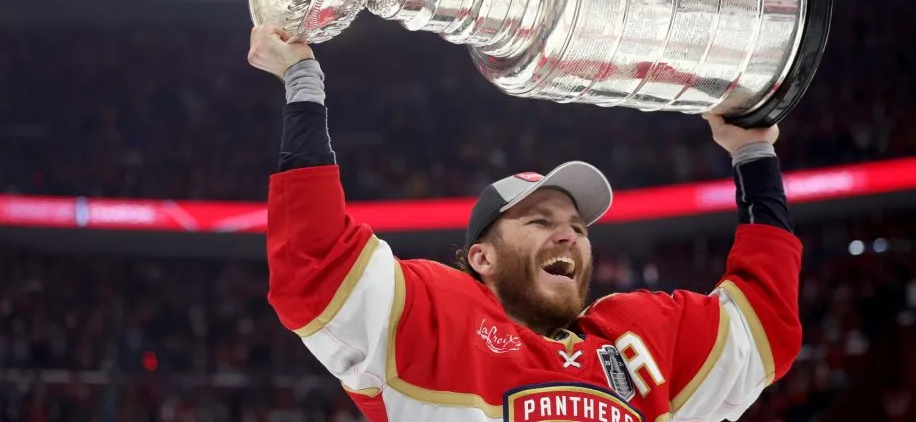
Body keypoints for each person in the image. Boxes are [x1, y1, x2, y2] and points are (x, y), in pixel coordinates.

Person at [248, 24, 803, 422]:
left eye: (579, 228)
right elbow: (316, 265)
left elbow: (763, 326)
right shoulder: (437, 322)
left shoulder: (642, 343)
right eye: (539, 222)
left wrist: (753, 152)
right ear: (480, 258)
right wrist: (303, 82)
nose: (569, 235)